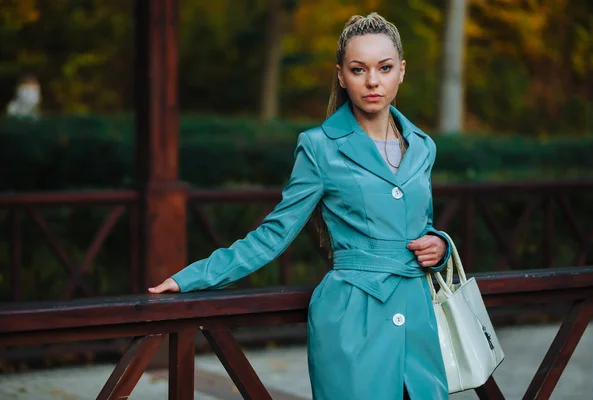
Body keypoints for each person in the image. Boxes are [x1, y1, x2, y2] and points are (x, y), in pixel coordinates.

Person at [150, 12, 451, 400]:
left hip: (418, 321)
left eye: (385, 67)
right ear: (341, 75)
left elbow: (421, 226)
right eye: (359, 69)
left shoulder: (423, 146)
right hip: (353, 320)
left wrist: (440, 246)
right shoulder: (319, 147)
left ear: (402, 71)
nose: (373, 81)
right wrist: (191, 278)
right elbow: (274, 234)